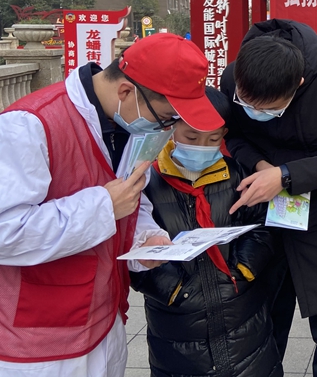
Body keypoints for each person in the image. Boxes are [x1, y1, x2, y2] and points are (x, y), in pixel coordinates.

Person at [0, 33, 222, 376]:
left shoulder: (129, 123)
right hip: (41, 337)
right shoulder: (29, 125)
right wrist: (103, 206)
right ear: (126, 91)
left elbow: (131, 197)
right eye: (166, 117)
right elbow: (6, 231)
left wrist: (146, 236)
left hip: (104, 316)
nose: (166, 128)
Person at [220, 19, 317, 377]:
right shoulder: (234, 76)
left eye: (268, 108)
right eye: (247, 103)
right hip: (265, 212)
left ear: (299, 85)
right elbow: (232, 136)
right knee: (264, 321)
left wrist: (285, 175)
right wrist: (260, 165)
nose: (256, 112)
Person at [131, 87, 283, 377]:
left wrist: (243, 269)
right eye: (191, 137)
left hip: (243, 316)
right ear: (170, 129)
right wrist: (174, 290)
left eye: (213, 140)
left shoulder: (237, 174)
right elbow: (132, 247)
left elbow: (262, 224)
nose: (202, 146)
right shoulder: (146, 181)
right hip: (177, 327)